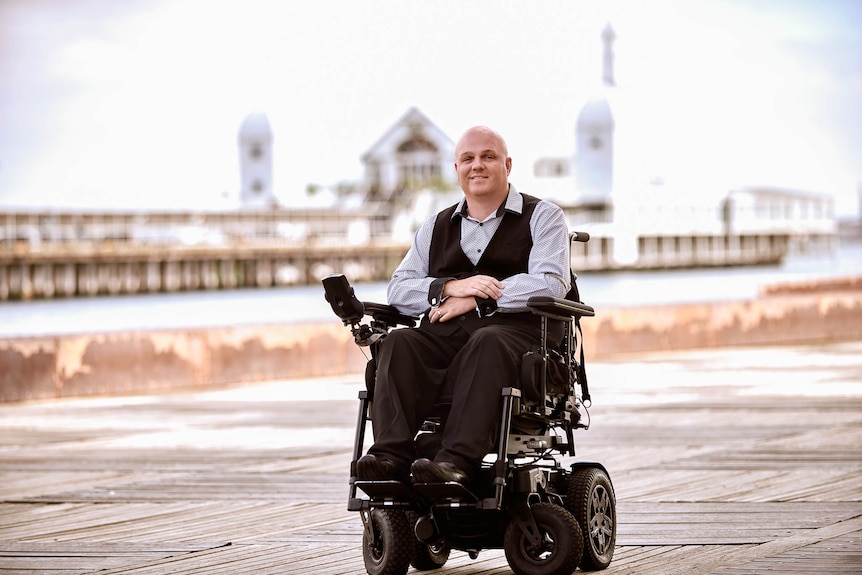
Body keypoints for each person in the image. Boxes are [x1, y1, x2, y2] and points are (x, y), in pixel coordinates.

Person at [356, 125, 571, 487]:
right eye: (467, 159)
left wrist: (476, 299)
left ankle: (456, 462)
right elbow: (398, 289)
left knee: (487, 340)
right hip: (449, 340)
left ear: (507, 164)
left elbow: (551, 283)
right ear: (456, 169)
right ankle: (389, 457)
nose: (477, 166)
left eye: (488, 157)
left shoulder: (543, 216)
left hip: (519, 338)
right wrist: (450, 288)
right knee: (399, 343)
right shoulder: (435, 225)